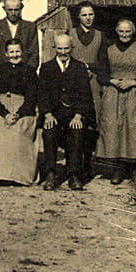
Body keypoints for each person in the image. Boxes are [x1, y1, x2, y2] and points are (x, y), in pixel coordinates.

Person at [95, 18, 136, 185]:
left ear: (133, 32)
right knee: (114, 130)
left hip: (135, 96)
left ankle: (134, 169)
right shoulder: (108, 49)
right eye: (121, 31)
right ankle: (118, 169)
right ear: (117, 32)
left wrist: (133, 82)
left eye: (128, 31)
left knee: (135, 130)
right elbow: (101, 74)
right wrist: (111, 81)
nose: (124, 35)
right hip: (114, 95)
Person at [37, 33, 95, 191]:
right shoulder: (46, 68)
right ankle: (50, 173)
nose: (63, 52)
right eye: (60, 48)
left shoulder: (79, 67)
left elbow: (85, 96)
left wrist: (78, 116)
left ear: (72, 48)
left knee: (76, 131)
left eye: (66, 48)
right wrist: (47, 114)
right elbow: (42, 95)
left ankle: (74, 174)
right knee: (49, 131)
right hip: (53, 115)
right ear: (54, 48)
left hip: (73, 115)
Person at [0, 38, 39, 186]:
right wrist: (5, 114)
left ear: (22, 52)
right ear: (6, 53)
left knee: (18, 133)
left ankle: (20, 176)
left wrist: (18, 114)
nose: (14, 55)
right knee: (3, 132)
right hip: (0, 111)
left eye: (17, 51)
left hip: (23, 111)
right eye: (11, 52)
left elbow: (32, 98)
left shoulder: (30, 72)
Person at [69, 1, 107, 179]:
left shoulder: (100, 36)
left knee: (93, 120)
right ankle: (74, 161)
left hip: (93, 84)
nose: (88, 18)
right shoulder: (70, 35)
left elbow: (104, 63)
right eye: (84, 15)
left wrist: (89, 66)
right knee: (75, 120)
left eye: (91, 14)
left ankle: (88, 160)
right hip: (75, 85)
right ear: (79, 17)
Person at [0, 0, 39, 70]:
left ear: (21, 8)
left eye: (16, 10)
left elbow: (34, 55)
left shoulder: (30, 27)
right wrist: (1, 72)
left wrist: (27, 72)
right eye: (10, 10)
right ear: (4, 9)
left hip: (24, 74)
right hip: (2, 74)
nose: (13, 13)